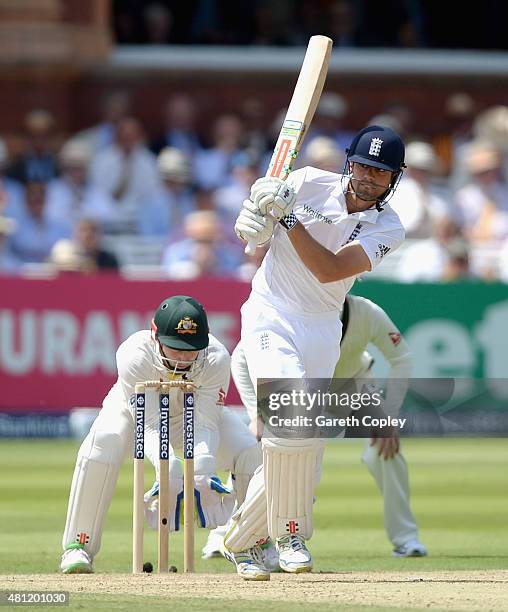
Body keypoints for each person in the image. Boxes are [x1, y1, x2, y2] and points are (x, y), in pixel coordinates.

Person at [223, 124, 407, 581]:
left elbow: (330, 271)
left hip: (323, 327)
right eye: (363, 165)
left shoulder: (390, 227)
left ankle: (242, 539)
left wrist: (286, 220)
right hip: (270, 313)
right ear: (349, 162)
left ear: (394, 179)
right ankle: (291, 535)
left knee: (308, 447)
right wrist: (254, 217)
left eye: (380, 172)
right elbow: (255, 235)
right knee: (292, 424)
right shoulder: (305, 181)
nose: (368, 177)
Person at [205, 295, 426, 563]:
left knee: (385, 448)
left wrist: (388, 414)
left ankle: (406, 539)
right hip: (303, 393)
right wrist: (256, 413)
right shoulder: (290, 310)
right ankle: (221, 536)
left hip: (352, 388)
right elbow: (241, 357)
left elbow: (401, 357)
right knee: (258, 449)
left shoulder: (366, 312)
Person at [60, 295, 260, 573]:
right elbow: (150, 424)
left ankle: (251, 542)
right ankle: (78, 545)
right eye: (176, 350)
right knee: (101, 443)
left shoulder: (215, 358)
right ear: (156, 337)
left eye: (191, 350)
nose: (183, 360)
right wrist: (169, 467)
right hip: (133, 416)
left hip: (188, 416)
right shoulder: (133, 354)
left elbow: (205, 424)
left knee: (250, 452)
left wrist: (201, 468)